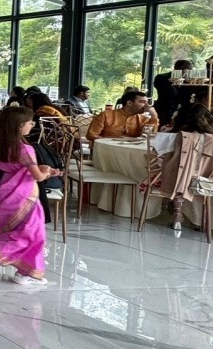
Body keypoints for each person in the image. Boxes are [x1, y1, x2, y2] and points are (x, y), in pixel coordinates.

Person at [0, 106, 58, 287]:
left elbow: (14, 168)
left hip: (6, 196)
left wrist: (40, 170)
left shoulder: (1, 146)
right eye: (30, 123)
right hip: (24, 197)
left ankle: (26, 272)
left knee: (27, 233)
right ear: (19, 126)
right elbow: (38, 177)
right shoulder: (24, 149)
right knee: (29, 234)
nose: (32, 125)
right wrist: (48, 172)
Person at [159, 102, 213, 231]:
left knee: (161, 169)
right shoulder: (210, 138)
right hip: (204, 179)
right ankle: (202, 220)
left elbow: (158, 153)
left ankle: (176, 211)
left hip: (174, 177)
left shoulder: (170, 135)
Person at [87, 90, 159, 143]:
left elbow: (149, 137)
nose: (147, 105)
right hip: (107, 150)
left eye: (147, 102)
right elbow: (91, 135)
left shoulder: (143, 119)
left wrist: (154, 116)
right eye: (142, 102)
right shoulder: (105, 115)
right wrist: (111, 142)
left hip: (131, 151)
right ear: (129, 103)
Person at [154, 59, 194, 126]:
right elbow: (167, 93)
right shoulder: (162, 77)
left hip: (182, 113)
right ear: (182, 69)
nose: (190, 72)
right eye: (189, 69)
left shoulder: (188, 81)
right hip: (164, 111)